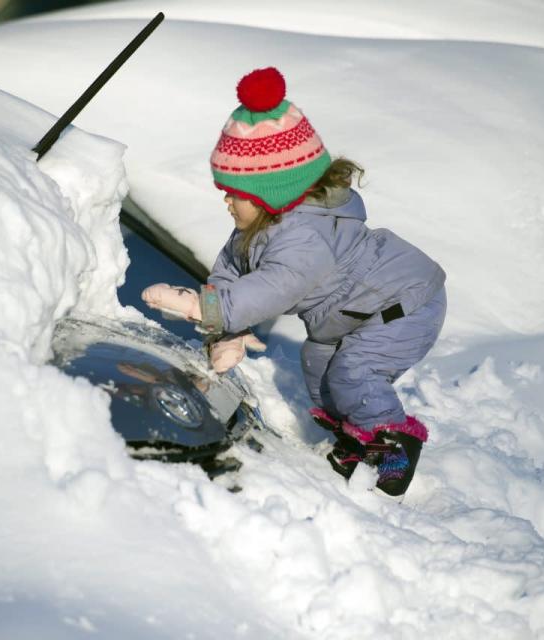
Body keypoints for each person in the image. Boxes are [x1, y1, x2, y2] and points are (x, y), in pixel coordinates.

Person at [142, 67, 446, 496]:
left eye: (235, 193)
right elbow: (232, 273)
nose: (225, 200)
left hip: (402, 303)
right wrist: (227, 330)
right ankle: (354, 438)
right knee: (319, 371)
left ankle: (394, 443)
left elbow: (275, 287)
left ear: (272, 195)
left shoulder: (306, 235)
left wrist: (203, 308)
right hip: (348, 315)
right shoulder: (257, 229)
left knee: (354, 371)